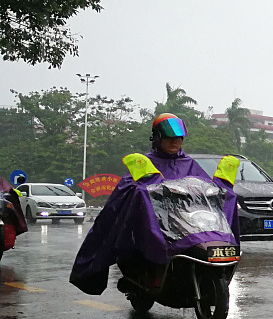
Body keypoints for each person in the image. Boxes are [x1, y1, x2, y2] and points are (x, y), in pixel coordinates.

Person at [70, 113, 239, 294]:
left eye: (178, 138)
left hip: (190, 224)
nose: (174, 142)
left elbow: (205, 189)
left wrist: (221, 189)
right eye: (168, 137)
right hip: (157, 226)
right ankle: (149, 276)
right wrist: (140, 191)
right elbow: (126, 192)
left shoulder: (189, 163)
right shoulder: (145, 163)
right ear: (157, 137)